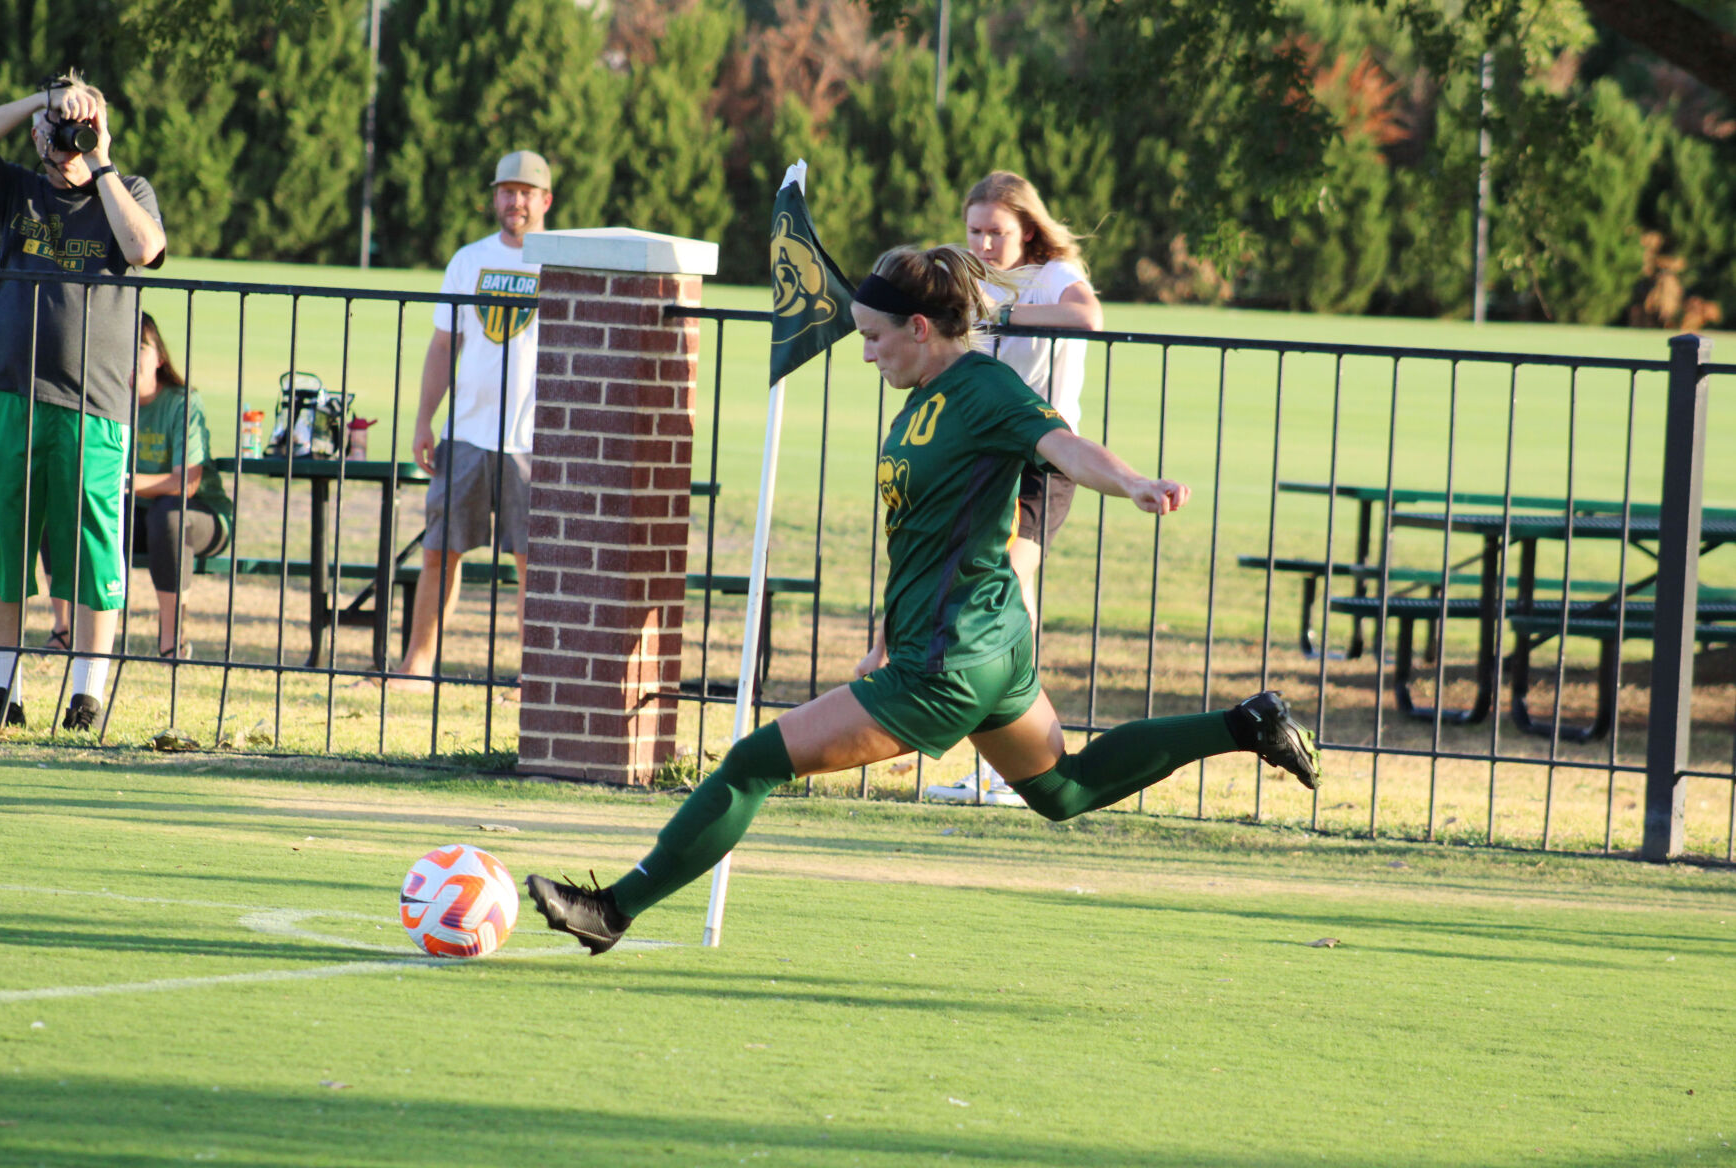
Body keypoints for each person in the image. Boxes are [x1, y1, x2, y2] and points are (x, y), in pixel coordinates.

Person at [524, 244, 1321, 956]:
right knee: (1062, 789)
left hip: (947, 662)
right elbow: (922, 534)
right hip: (982, 644)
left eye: (873, 337)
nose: (865, 352)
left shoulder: (985, 389)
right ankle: (1244, 724)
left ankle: (612, 910)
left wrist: (1134, 483)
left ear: (918, 327)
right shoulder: (923, 402)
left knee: (750, 763)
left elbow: (1064, 447)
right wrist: (884, 628)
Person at [0, 71, 167, 732]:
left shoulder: (128, 192)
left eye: (74, 126)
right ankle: (4, 690)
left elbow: (145, 249)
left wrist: (101, 158)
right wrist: (38, 103)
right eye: (54, 128)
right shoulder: (20, 191)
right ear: (34, 132)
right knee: (1, 540)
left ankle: (86, 693)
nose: (64, 140)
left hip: (95, 403)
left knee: (92, 548)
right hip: (10, 394)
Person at [932, 171, 1106, 805]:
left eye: (996, 232)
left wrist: (1002, 311)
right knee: (976, 587)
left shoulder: (1054, 272)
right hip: (983, 455)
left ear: (1027, 228)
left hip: (1042, 458)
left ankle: (1018, 764)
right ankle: (999, 765)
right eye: (974, 230)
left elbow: (1087, 317)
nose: (982, 243)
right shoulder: (970, 275)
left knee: (1009, 588)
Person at [368, 150, 550, 697]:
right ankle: (416, 667)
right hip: (467, 432)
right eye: (506, 191)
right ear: (494, 197)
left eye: (526, 192)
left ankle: (533, 677)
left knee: (532, 561)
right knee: (439, 551)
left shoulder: (560, 262)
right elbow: (444, 343)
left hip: (531, 439)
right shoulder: (469, 260)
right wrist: (425, 419)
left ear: (545, 200)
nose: (515, 202)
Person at [42, 313, 233, 659]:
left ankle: (172, 640)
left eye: (141, 347)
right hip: (130, 514)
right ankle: (63, 629)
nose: (131, 356)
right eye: (122, 347)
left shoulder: (181, 402)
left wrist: (121, 482)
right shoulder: (102, 401)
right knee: (58, 507)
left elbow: (187, 483)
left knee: (168, 515)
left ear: (159, 357)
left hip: (198, 517)